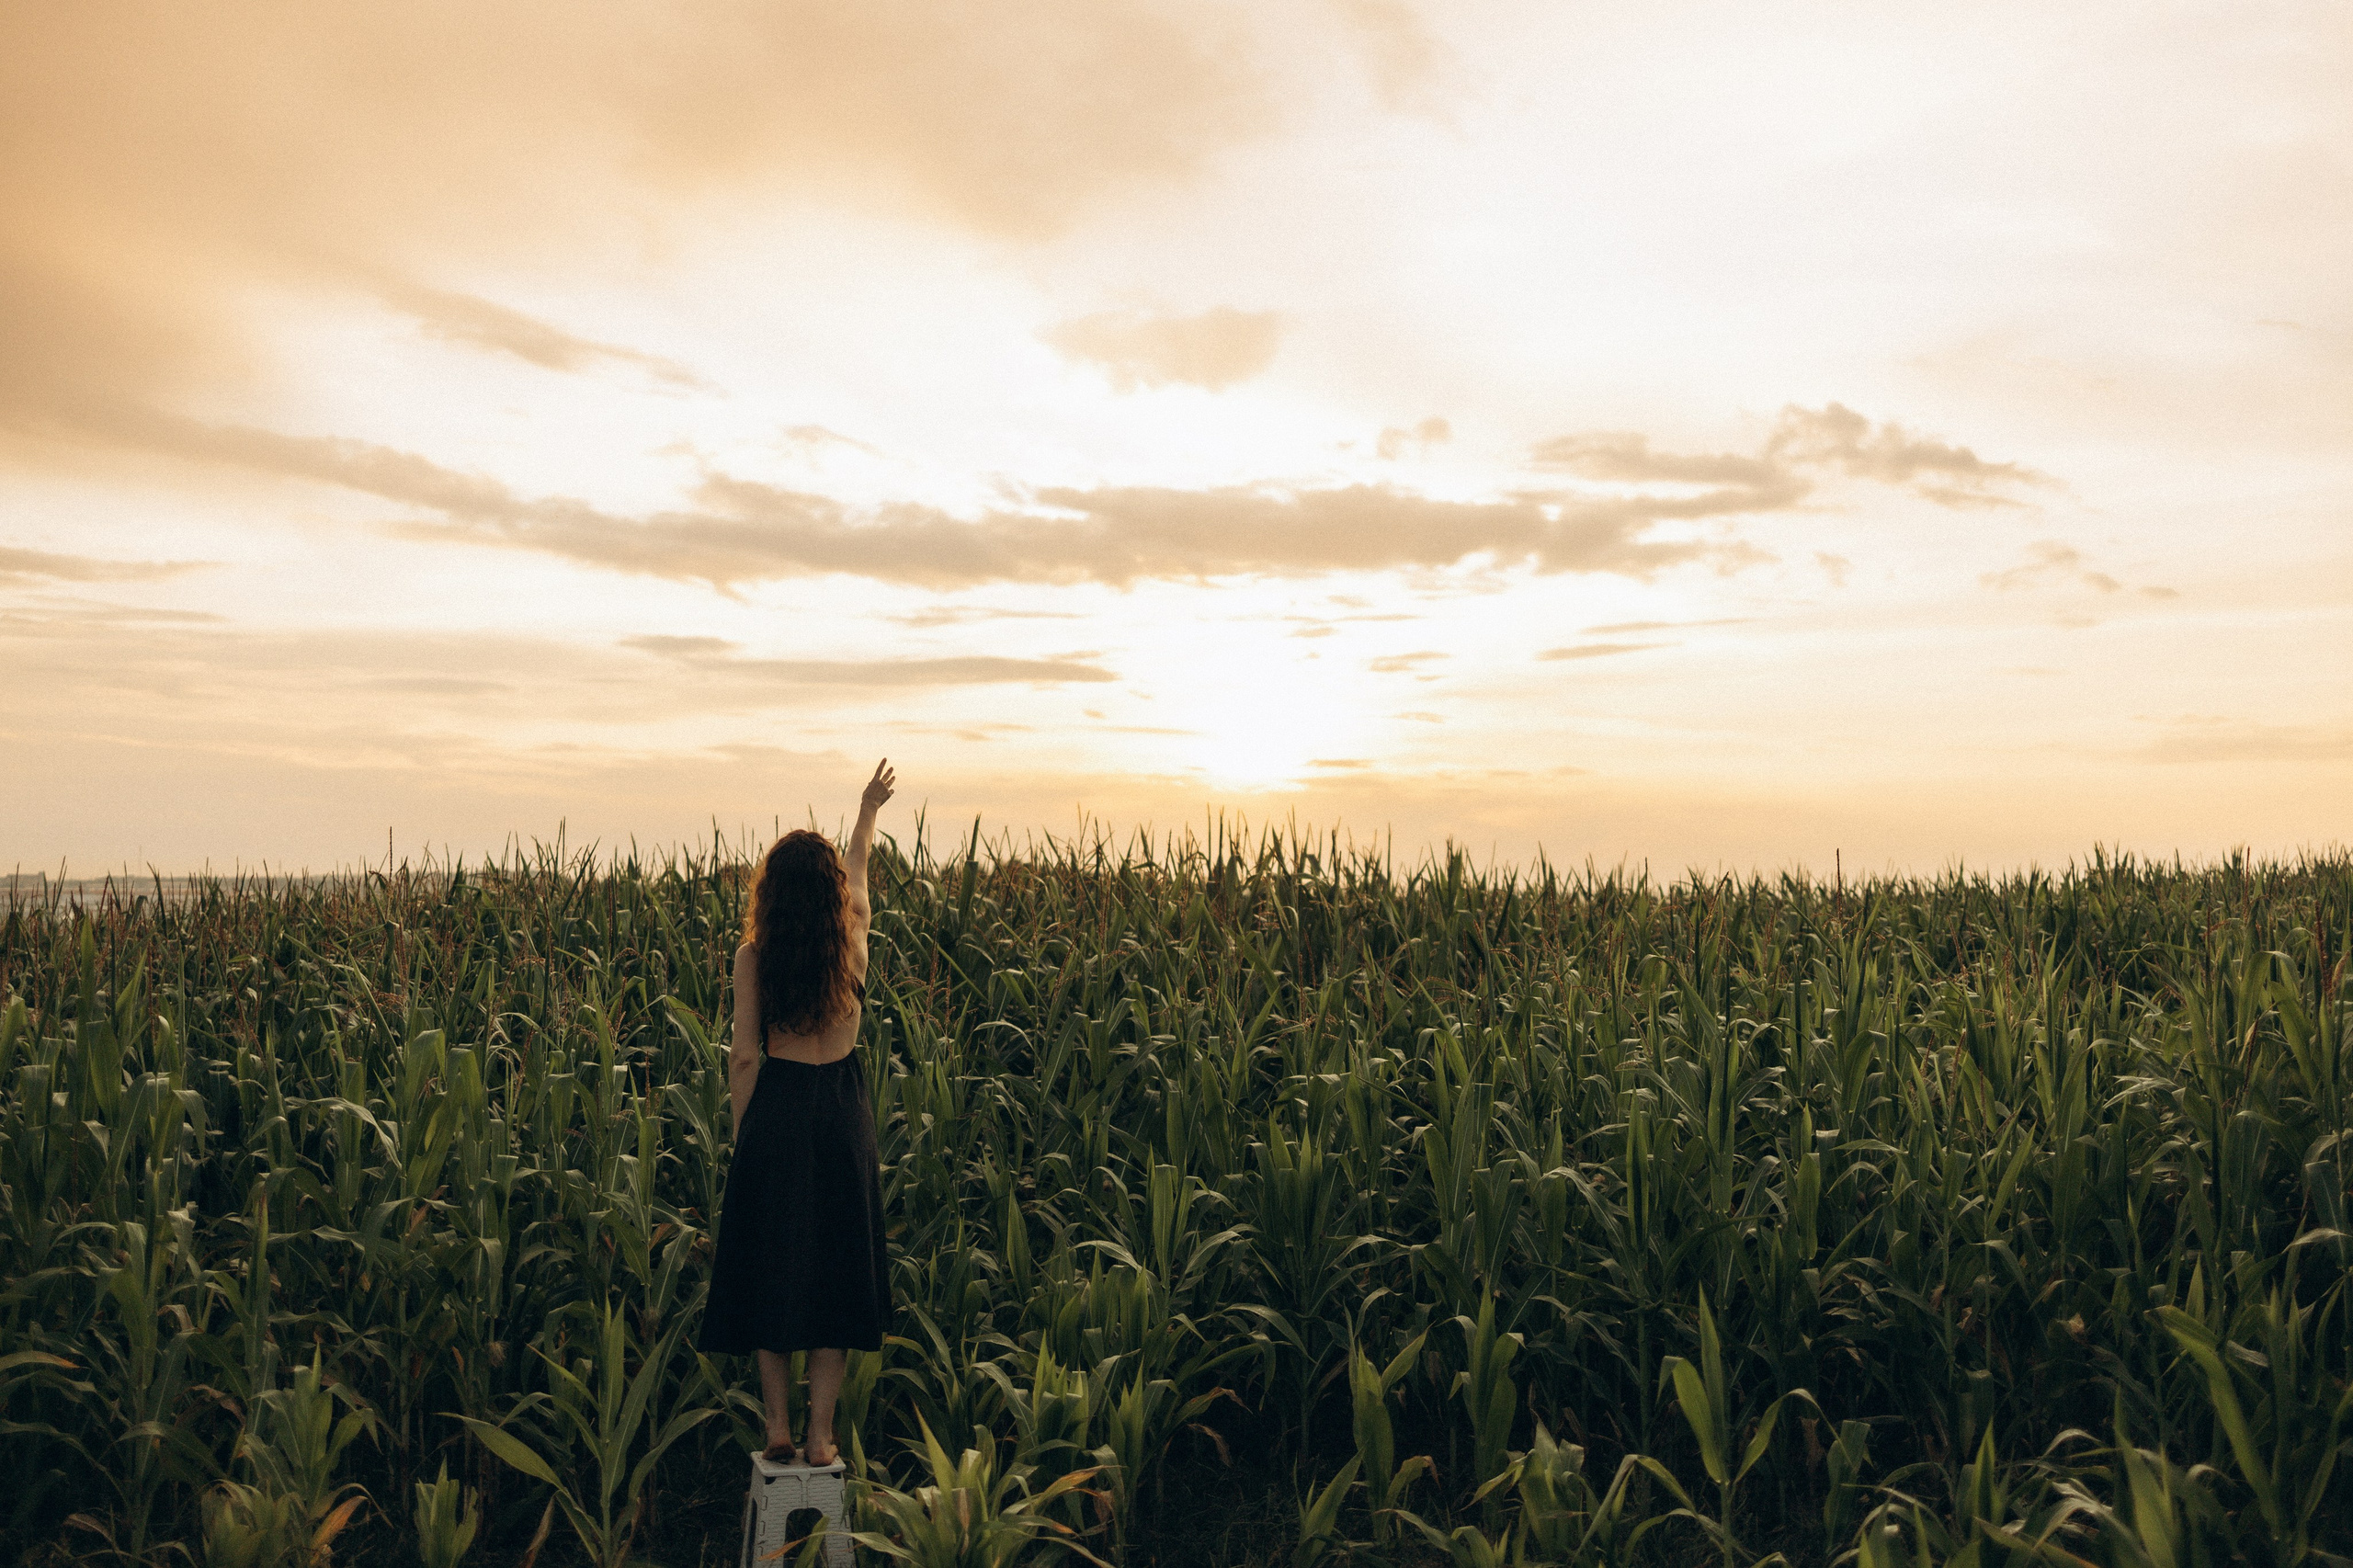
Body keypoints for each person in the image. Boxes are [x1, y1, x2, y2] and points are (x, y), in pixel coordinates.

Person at [699, 759, 897, 1467]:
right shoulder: (855, 942)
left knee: (769, 1262)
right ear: (834, 895)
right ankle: (821, 1436)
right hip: (841, 1109)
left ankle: (778, 1427)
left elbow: (743, 1056)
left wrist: (744, 1134)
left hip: (779, 1106)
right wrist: (868, 808)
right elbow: (862, 863)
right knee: (838, 1271)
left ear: (771, 895)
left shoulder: (753, 956)